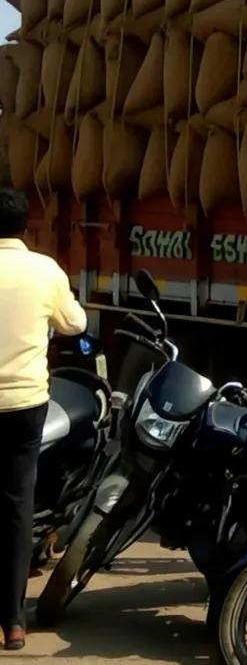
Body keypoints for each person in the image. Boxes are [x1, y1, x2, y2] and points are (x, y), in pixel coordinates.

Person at [0, 187, 87, 650]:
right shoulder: (43, 270)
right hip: (25, 406)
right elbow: (76, 324)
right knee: (17, 508)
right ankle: (14, 621)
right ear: (25, 228)